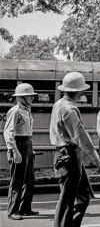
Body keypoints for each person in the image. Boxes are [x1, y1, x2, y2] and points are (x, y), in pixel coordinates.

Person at [50, 72, 100, 227]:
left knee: (82, 196)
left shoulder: (59, 104)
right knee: (68, 200)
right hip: (70, 155)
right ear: (79, 91)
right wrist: (96, 159)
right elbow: (81, 137)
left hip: (64, 154)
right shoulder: (69, 110)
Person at [4, 83, 38, 220]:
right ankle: (12, 210)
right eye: (30, 96)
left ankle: (25, 207)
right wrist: (15, 151)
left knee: (29, 180)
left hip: (27, 143)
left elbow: (27, 132)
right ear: (23, 98)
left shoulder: (27, 110)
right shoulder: (15, 111)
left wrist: (31, 148)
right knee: (17, 180)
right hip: (18, 144)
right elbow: (8, 133)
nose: (32, 98)